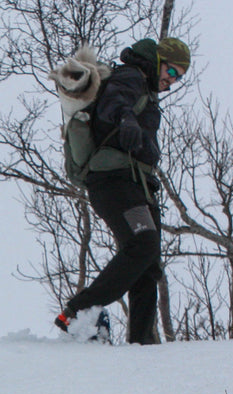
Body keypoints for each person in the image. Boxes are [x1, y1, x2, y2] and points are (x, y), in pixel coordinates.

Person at [54, 37, 190, 346]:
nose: (172, 80)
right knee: (143, 244)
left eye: (179, 77)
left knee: (148, 264)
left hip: (136, 184)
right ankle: (77, 313)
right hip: (114, 181)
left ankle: (142, 345)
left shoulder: (146, 88)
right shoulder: (131, 76)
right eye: (171, 70)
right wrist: (126, 118)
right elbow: (114, 101)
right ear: (158, 61)